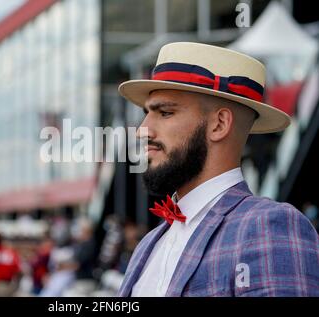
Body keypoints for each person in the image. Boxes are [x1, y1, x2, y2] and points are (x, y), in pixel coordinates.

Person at [117, 42, 319, 297]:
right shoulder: (149, 243)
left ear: (219, 124)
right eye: (147, 113)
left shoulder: (267, 226)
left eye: (165, 112)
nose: (142, 130)